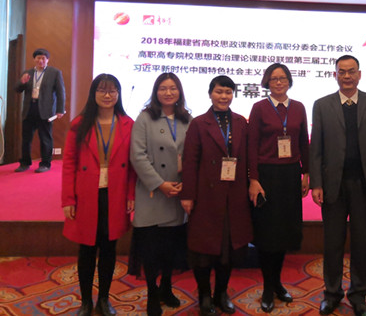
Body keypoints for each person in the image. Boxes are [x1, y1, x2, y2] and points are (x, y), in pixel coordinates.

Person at [310, 55, 366, 316]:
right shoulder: (322, 105)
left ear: (359, 75)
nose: (347, 76)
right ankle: (332, 293)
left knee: (362, 242)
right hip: (333, 184)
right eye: (342, 72)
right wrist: (316, 183)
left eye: (352, 71)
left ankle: (359, 293)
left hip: (364, 184)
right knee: (333, 243)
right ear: (335, 75)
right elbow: (316, 147)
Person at [61, 74, 135, 316]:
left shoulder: (128, 124)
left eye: (112, 90)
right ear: (93, 94)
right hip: (86, 194)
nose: (107, 95)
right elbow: (69, 163)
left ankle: (104, 299)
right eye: (102, 90)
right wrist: (68, 199)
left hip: (115, 194)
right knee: (87, 250)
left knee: (109, 248)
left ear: (118, 94)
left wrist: (131, 194)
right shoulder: (80, 124)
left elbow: (132, 166)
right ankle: (85, 301)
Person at [180, 75, 253, 316]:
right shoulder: (199, 124)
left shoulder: (241, 122)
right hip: (206, 196)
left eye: (228, 92)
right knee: (203, 249)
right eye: (219, 92)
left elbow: (248, 157)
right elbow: (190, 162)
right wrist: (188, 195)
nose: (224, 96)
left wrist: (252, 182)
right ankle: (204, 295)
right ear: (210, 94)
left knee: (228, 250)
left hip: (234, 195)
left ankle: (221, 293)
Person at [247, 63, 310, 313]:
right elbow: (251, 145)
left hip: (290, 174)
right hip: (267, 175)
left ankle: (277, 283)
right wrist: (253, 179)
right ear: (267, 82)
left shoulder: (299, 107)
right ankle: (267, 286)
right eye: (274, 79)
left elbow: (303, 141)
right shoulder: (259, 108)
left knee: (284, 232)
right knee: (267, 234)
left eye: (283, 78)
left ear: (289, 81)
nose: (279, 82)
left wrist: (306, 172)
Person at [129, 73, 192, 316]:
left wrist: (186, 184)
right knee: (151, 250)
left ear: (179, 92)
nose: (168, 93)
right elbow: (138, 155)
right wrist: (159, 184)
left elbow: (193, 154)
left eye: (173, 88)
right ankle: (152, 293)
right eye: (163, 88)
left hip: (177, 192)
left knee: (170, 248)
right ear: (156, 92)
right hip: (153, 193)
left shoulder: (187, 119)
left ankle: (166, 287)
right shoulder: (145, 118)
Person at [15, 48, 66, 173]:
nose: (41, 60)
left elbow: (61, 92)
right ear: (34, 59)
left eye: (43, 58)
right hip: (29, 109)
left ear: (47, 60)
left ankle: (45, 164)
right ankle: (24, 163)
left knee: (45, 138)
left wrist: (60, 109)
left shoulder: (54, 73)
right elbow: (17, 89)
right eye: (38, 58)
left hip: (45, 110)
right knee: (26, 139)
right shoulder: (28, 73)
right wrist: (22, 82)